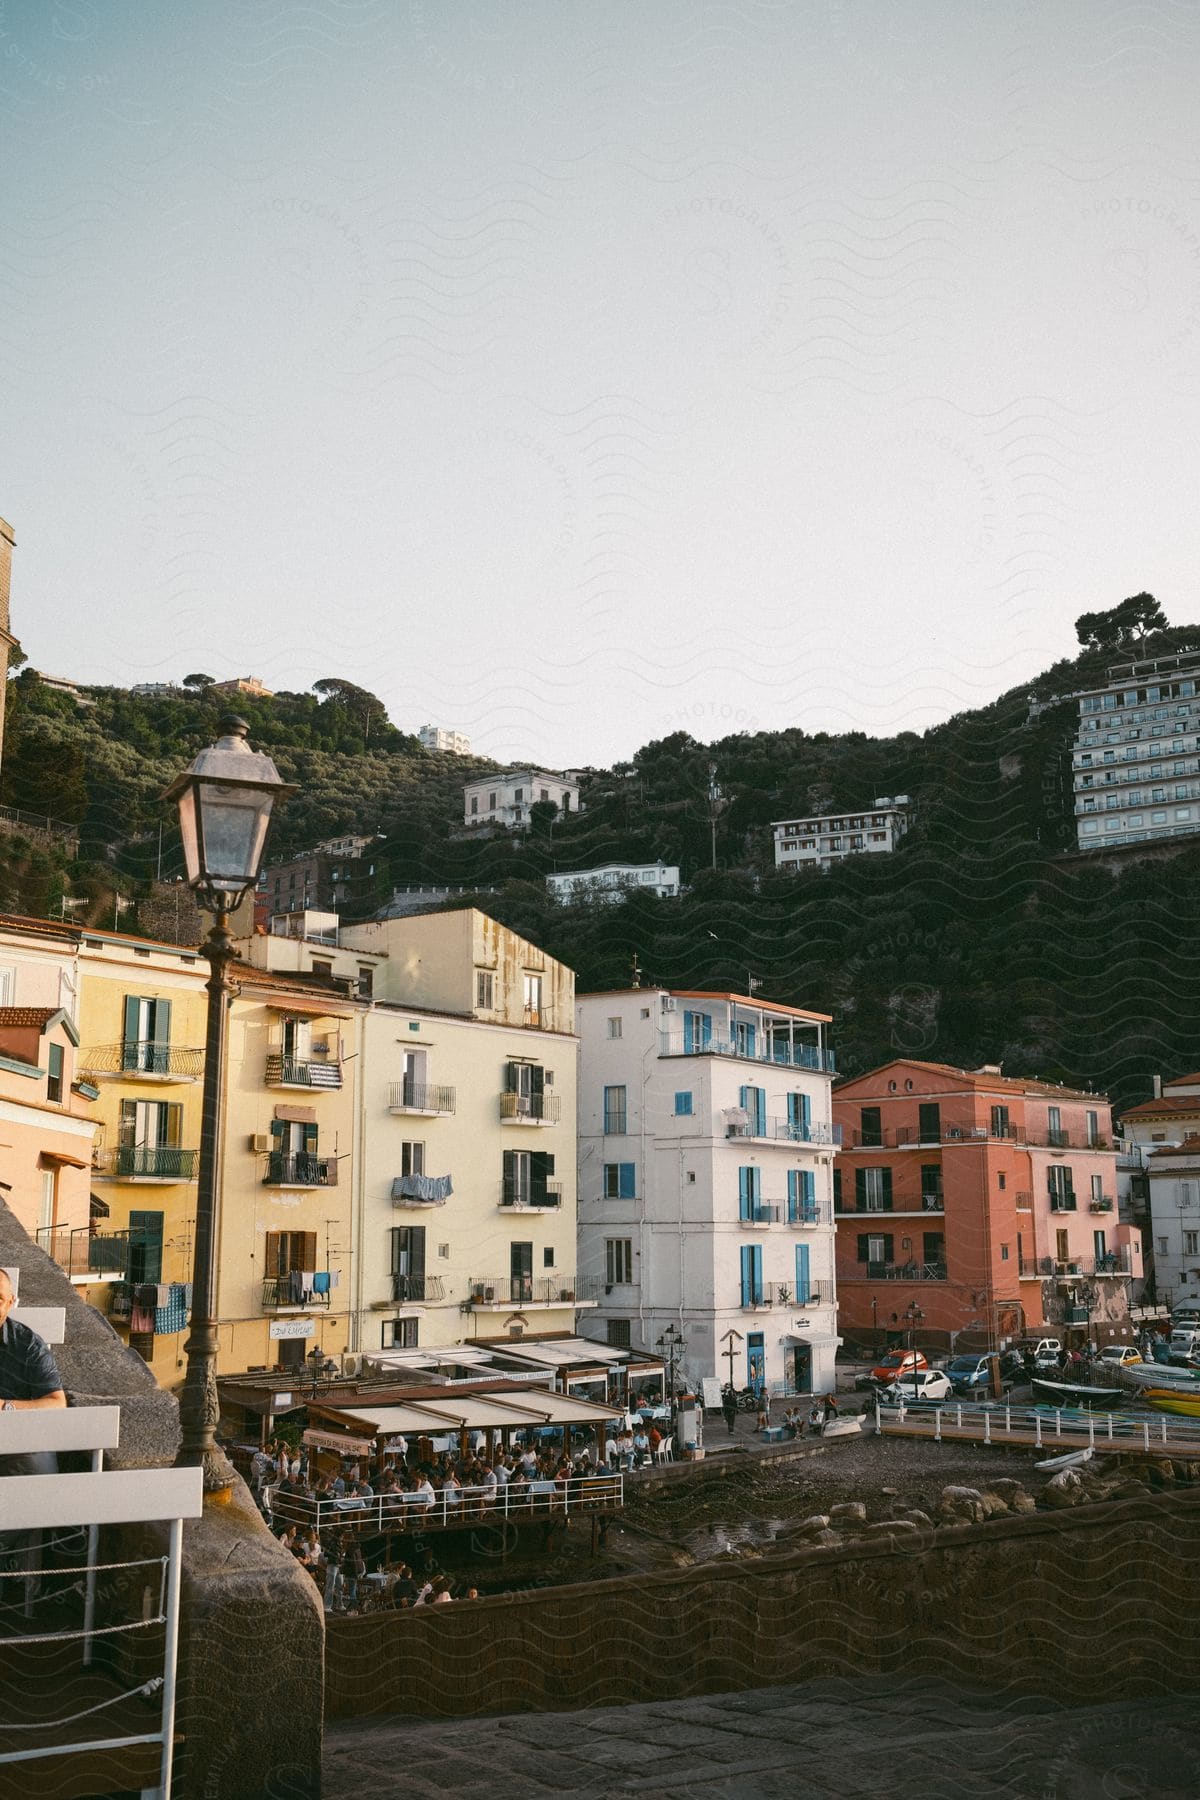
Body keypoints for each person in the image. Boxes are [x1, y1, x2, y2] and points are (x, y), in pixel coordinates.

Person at [0, 1267, 68, 1504]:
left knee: (36, 1470)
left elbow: (57, 1404)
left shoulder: (29, 1346)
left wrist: (4, 1407)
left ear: (10, 1303)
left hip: (18, 1441)